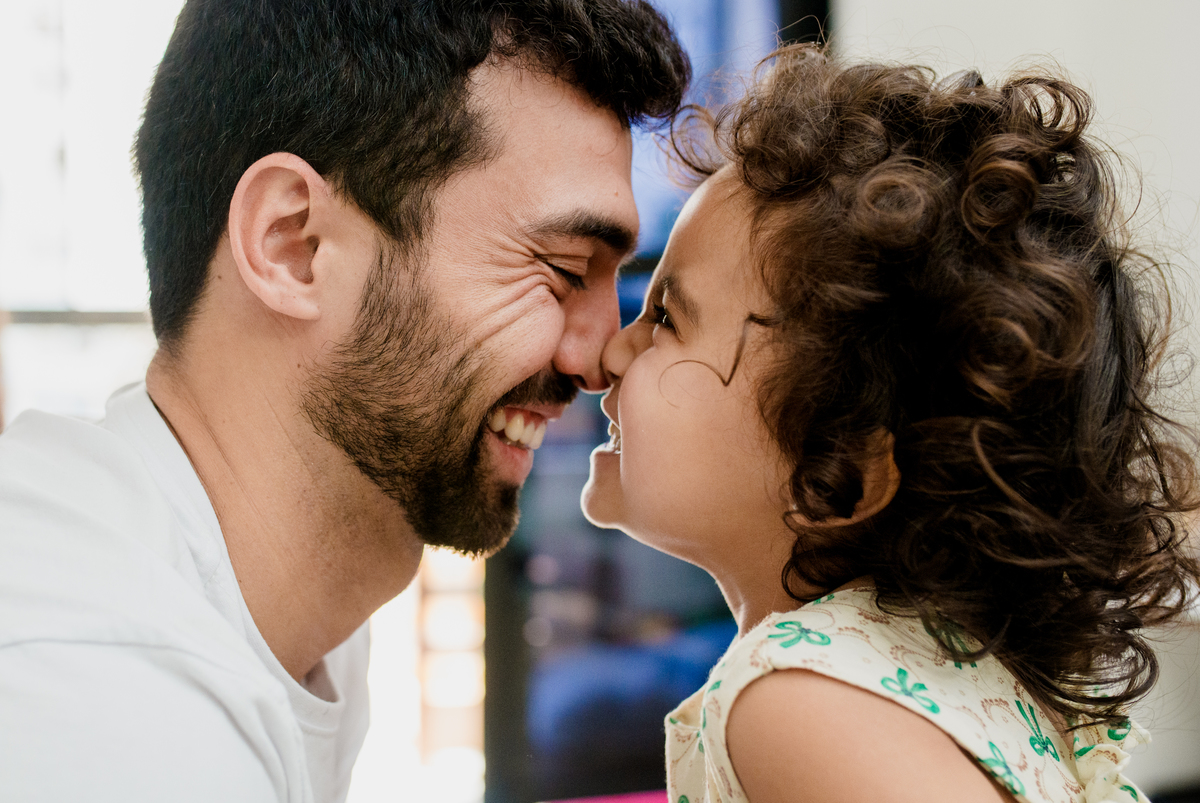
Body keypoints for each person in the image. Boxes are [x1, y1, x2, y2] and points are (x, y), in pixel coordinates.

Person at [0, 2, 688, 801]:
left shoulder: (291, 610)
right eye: (565, 269)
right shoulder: (105, 704)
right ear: (293, 244)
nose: (602, 356)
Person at [582, 44, 1200, 802]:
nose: (613, 349)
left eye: (666, 317)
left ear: (839, 469)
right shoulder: (939, 666)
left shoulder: (800, 702)